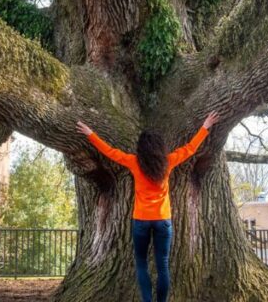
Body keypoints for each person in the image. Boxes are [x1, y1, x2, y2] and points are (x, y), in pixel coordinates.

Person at [76, 111, 219, 302]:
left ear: (141, 148)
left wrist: (90, 134)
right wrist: (205, 127)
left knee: (141, 264)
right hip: (163, 220)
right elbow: (190, 148)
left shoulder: (134, 162)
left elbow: (109, 151)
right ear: (159, 148)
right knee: (163, 265)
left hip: (141, 221)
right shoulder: (168, 162)